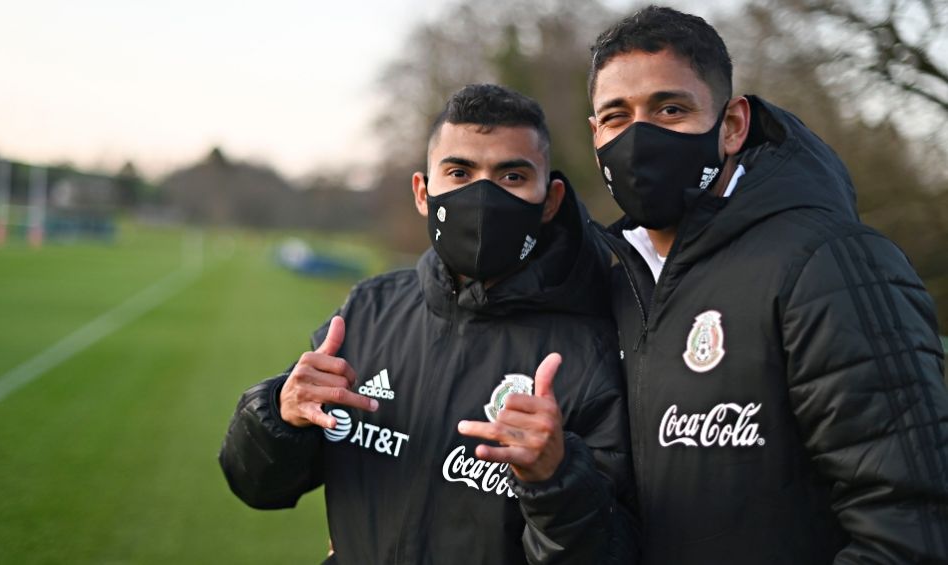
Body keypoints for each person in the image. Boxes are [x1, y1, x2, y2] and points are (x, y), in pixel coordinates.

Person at [585, 5, 948, 563]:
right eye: (616, 116)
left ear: (731, 125)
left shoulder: (831, 263)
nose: (639, 138)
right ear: (595, 135)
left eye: (670, 108)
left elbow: (912, 525)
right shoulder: (615, 286)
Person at [218, 84, 638, 564]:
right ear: (423, 192)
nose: (483, 196)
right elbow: (257, 485)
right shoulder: (369, 311)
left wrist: (557, 478)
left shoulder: (591, 350)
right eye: (459, 172)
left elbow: (611, 552)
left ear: (549, 200)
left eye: (512, 176)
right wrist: (279, 413)